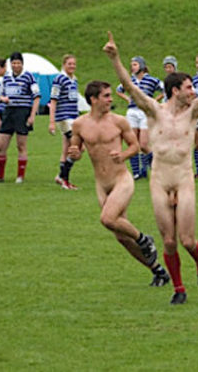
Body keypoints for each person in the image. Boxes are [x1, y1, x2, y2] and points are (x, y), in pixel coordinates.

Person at [104, 31, 198, 305]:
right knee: (169, 241)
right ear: (175, 91)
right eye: (188, 88)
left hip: (183, 179)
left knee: (187, 240)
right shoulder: (154, 111)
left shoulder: (193, 113)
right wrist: (115, 58)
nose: (193, 92)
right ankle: (179, 289)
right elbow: (129, 86)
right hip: (159, 181)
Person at [68, 80, 170, 286]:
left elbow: (135, 146)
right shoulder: (79, 124)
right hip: (101, 183)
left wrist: (123, 155)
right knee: (121, 237)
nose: (110, 99)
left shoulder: (119, 121)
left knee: (107, 218)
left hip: (121, 179)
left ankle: (144, 239)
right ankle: (158, 271)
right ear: (93, 99)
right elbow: (76, 151)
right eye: (106, 96)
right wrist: (75, 154)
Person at [0, 52, 40, 183]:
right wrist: (3, 99)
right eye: (13, 63)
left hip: (22, 112)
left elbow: (37, 96)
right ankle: (0, 176)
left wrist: (32, 115)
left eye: (18, 63)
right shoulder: (6, 78)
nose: (16, 65)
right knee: (1, 145)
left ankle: (20, 176)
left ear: (22, 64)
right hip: (8, 112)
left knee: (21, 145)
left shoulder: (28, 76)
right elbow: (0, 95)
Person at [114, 55, 164, 180]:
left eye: (135, 64)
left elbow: (164, 90)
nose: (132, 67)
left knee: (143, 144)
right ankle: (137, 172)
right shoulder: (130, 81)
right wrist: (128, 99)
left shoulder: (151, 80)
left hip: (145, 113)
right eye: (132, 65)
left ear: (141, 66)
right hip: (132, 112)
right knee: (133, 144)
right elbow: (118, 90)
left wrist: (154, 101)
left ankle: (155, 167)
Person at [49, 54, 81, 190]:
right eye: (69, 64)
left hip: (73, 117)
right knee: (78, 148)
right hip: (64, 118)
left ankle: (61, 177)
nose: (72, 66)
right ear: (63, 65)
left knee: (67, 149)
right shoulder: (59, 79)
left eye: (74, 64)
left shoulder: (74, 80)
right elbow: (53, 100)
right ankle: (64, 178)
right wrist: (51, 121)